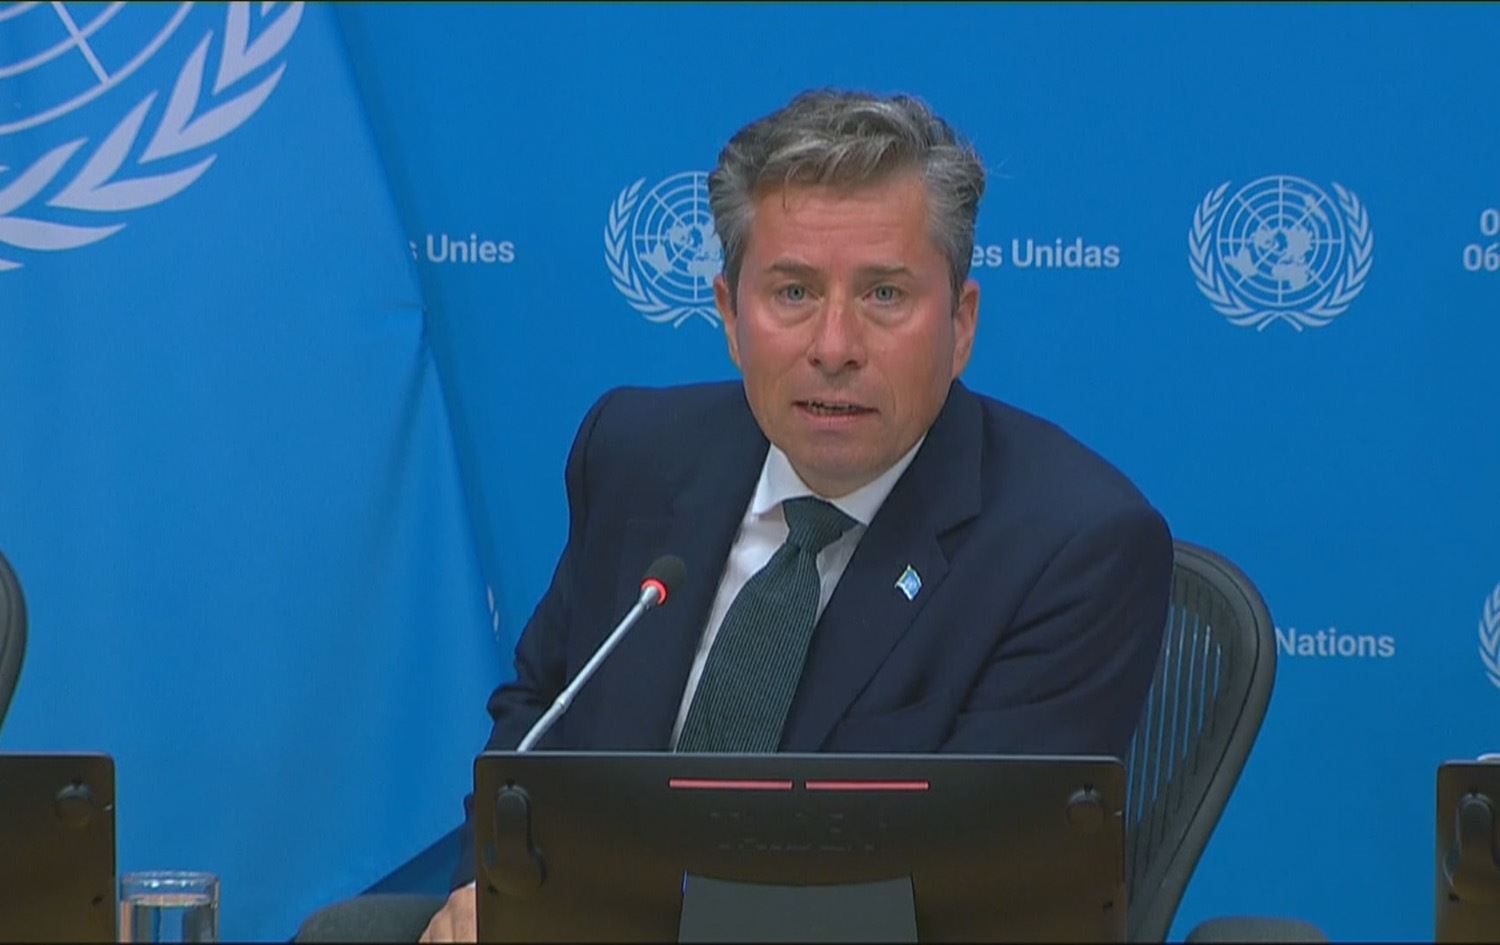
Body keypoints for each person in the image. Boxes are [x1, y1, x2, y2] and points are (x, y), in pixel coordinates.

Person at [419, 88, 1172, 943]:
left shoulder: (1074, 544)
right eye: (793, 291)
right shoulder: (635, 454)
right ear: (729, 314)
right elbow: (542, 715)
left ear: (961, 324)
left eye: (884, 294)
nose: (834, 346)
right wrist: (488, 888)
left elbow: (981, 890)